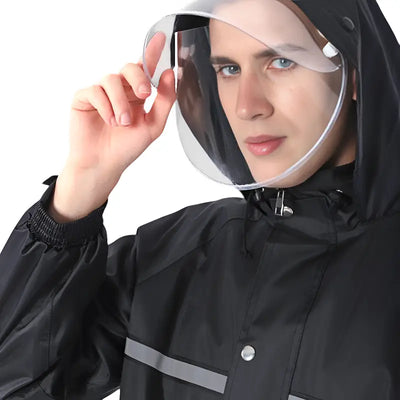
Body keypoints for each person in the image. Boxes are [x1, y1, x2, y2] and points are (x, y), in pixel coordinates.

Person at [0, 0, 399, 399]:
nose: (246, 106)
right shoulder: (171, 258)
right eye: (228, 69)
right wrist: (77, 193)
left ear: (356, 70)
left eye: (281, 62)